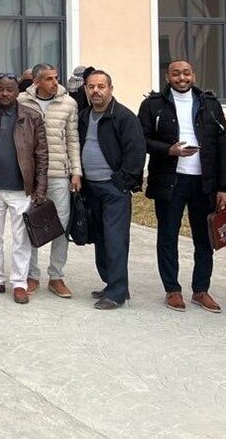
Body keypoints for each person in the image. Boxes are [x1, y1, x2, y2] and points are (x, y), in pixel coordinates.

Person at [138, 60, 226, 313]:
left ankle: (201, 290)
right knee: (167, 236)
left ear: (193, 75)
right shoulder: (153, 104)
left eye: (186, 73)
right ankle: (173, 290)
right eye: (176, 74)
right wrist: (168, 150)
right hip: (170, 180)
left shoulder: (209, 104)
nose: (182, 78)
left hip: (204, 182)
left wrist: (224, 187)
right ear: (168, 77)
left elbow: (222, 146)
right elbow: (141, 139)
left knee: (204, 239)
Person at [0, 73, 48, 305]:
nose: (5, 94)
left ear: (17, 91)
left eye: (9, 90)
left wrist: (40, 188)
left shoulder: (32, 116)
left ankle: (20, 283)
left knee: (21, 238)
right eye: (0, 89)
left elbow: (41, 155)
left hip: (21, 189)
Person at [79, 70, 145, 310]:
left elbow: (136, 153)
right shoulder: (84, 116)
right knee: (101, 239)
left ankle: (117, 293)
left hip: (113, 189)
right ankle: (112, 284)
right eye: (91, 87)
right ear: (85, 89)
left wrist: (122, 182)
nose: (96, 91)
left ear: (110, 89)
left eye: (101, 86)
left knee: (115, 240)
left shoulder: (124, 117)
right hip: (90, 188)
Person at [18, 64, 82, 298]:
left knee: (61, 224)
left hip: (58, 173)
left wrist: (76, 171)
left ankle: (56, 276)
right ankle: (31, 274)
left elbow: (73, 139)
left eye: (56, 78)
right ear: (36, 81)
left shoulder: (68, 103)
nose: (55, 83)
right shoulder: (21, 101)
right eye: (48, 79)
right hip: (30, 174)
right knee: (29, 222)